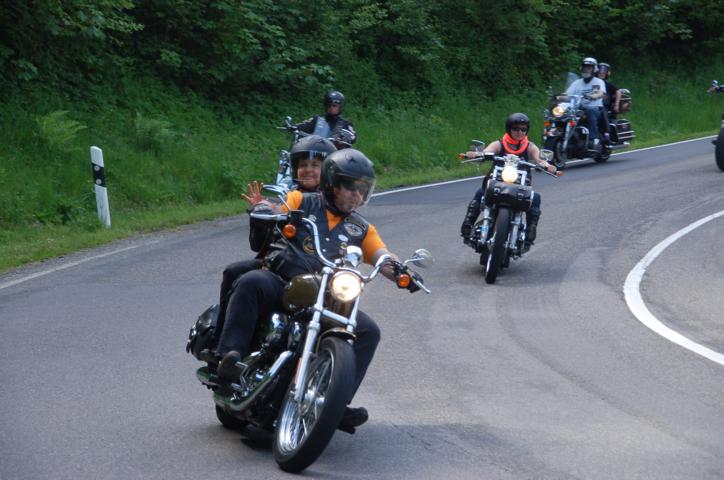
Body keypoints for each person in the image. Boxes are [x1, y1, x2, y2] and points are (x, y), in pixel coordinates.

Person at [215, 148, 421, 432]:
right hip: (283, 281)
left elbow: (382, 255)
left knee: (369, 332)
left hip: (326, 297)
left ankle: (336, 402)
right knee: (251, 281)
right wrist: (266, 210)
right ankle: (230, 356)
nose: (357, 196)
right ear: (333, 184)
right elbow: (279, 211)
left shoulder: (362, 228)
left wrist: (402, 271)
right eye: (352, 188)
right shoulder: (302, 201)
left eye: (363, 190)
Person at [212, 135, 337, 349]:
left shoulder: (337, 201)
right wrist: (262, 212)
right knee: (234, 271)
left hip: (322, 274)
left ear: (328, 170)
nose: (308, 170)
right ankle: (221, 338)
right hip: (281, 265)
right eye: (303, 165)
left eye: (315, 165)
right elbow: (259, 242)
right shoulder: (291, 197)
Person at [460, 113, 556, 249]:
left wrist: (546, 164)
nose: (519, 132)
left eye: (523, 129)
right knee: (480, 192)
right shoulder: (499, 144)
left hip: (520, 186)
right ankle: (468, 224)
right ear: (509, 129)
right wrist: (477, 154)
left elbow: (539, 158)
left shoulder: (530, 146)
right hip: (497, 183)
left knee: (535, 198)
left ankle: (530, 231)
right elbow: (487, 151)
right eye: (516, 128)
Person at [565, 57, 607, 151]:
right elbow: (567, 94)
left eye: (589, 67)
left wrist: (594, 96)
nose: (586, 69)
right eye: (584, 67)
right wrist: (559, 97)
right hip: (578, 108)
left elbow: (599, 92)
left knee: (590, 111)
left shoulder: (597, 81)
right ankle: (564, 136)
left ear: (594, 69)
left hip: (595, 108)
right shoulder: (577, 83)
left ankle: (594, 139)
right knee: (563, 113)